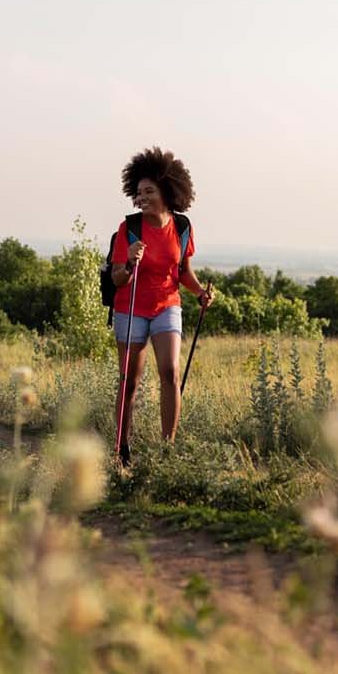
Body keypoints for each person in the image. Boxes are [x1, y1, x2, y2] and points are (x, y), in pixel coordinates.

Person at [109, 147, 213, 467]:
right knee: (130, 380)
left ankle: (167, 448)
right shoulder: (130, 229)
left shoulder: (182, 227)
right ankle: (122, 449)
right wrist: (129, 262)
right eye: (138, 192)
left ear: (166, 191)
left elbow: (183, 271)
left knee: (170, 371)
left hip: (167, 304)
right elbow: (117, 279)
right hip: (131, 307)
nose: (141, 197)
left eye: (149, 191)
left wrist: (199, 292)